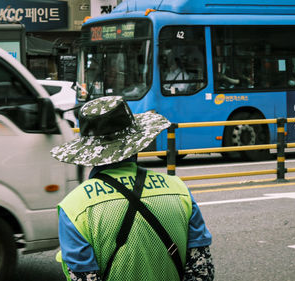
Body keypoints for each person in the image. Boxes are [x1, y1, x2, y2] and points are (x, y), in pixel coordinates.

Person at [51, 96, 214, 281]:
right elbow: (202, 272)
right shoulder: (179, 190)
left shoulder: (74, 208)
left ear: (89, 151)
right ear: (136, 143)